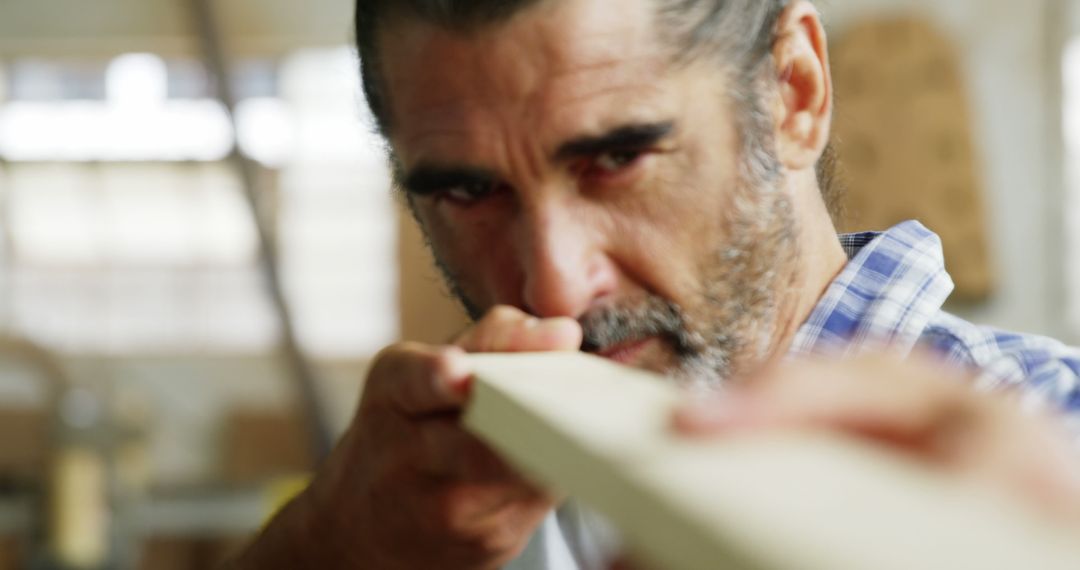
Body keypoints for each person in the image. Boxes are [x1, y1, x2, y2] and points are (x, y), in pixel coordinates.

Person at [226, 0, 1080, 568]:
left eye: (618, 159)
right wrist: (323, 541)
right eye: (469, 191)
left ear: (794, 95)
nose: (555, 287)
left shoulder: (1045, 438)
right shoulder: (437, 495)